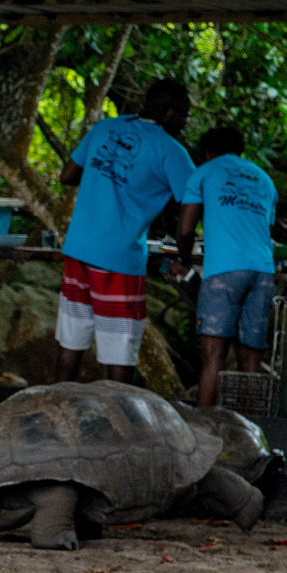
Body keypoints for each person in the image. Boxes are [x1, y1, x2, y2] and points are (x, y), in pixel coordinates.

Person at [54, 78, 195, 383]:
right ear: (165, 111)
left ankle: (60, 409)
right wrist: (185, 253)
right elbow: (193, 205)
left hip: (78, 249)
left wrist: (104, 180)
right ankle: (120, 424)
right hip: (119, 259)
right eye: (183, 114)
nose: (185, 122)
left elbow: (67, 175)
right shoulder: (172, 152)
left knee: (71, 343)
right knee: (119, 350)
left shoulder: (105, 128)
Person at [170, 126, 282, 408]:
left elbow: (185, 231)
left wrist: (182, 261)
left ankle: (204, 427)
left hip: (225, 272)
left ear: (208, 152)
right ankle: (254, 430)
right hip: (263, 272)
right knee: (250, 358)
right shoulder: (264, 179)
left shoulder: (205, 172)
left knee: (213, 357)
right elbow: (267, 229)